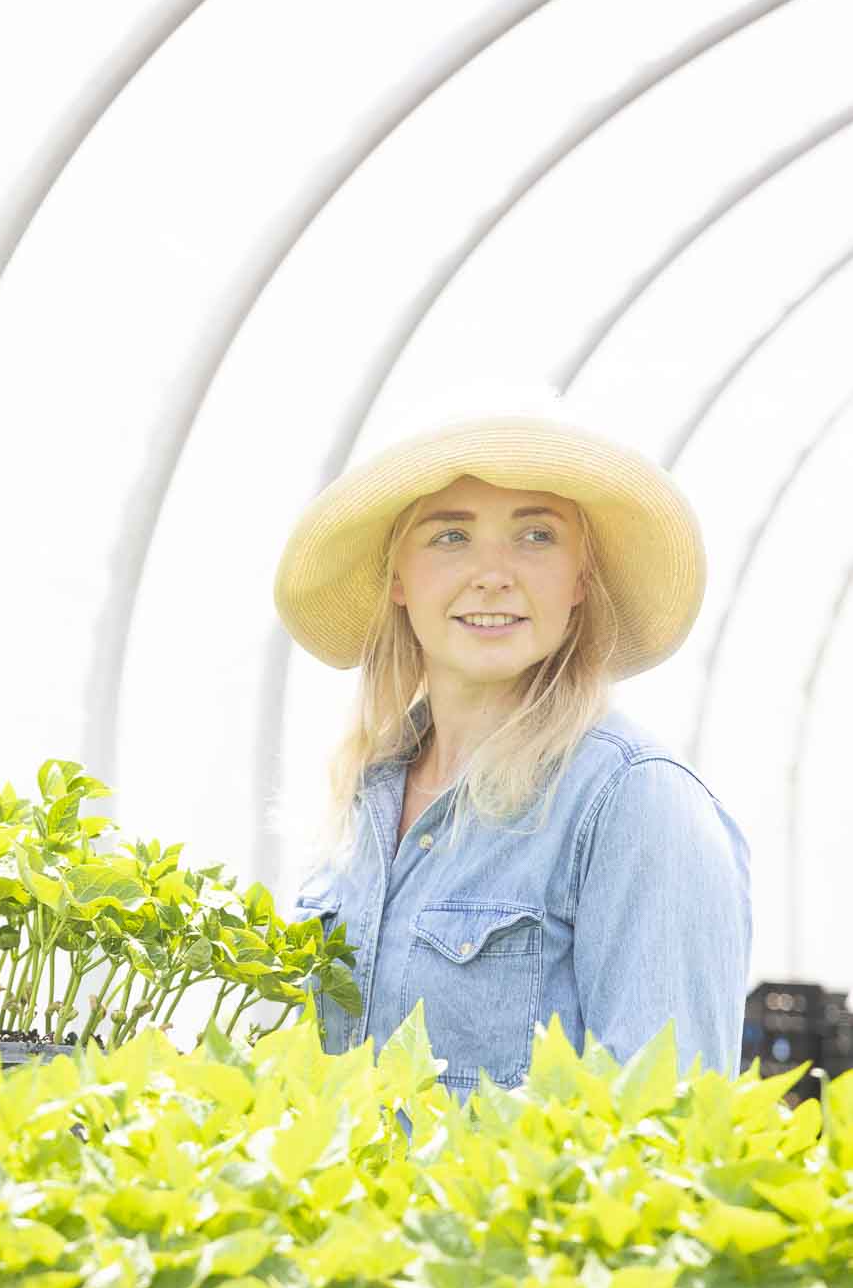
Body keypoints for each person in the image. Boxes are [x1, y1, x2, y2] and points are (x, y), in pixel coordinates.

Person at [271, 386, 752, 1101]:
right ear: (397, 578)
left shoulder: (633, 800)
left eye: (536, 536)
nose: (492, 574)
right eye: (449, 534)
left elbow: (663, 1129)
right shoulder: (368, 791)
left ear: (579, 579)